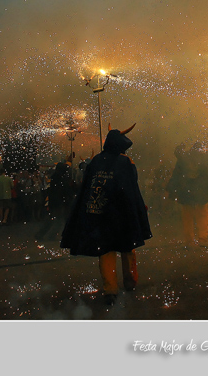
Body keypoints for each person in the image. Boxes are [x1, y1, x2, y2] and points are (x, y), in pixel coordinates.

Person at [61, 124, 152, 306]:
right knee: (127, 248)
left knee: (106, 251)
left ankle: (110, 290)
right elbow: (132, 186)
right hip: (121, 214)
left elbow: (87, 188)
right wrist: (139, 207)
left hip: (100, 215)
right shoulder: (126, 162)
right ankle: (130, 282)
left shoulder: (95, 161)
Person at [167, 139, 208, 248]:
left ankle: (189, 241)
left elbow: (177, 153)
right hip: (201, 191)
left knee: (187, 216)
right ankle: (202, 239)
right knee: (202, 214)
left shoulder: (185, 156)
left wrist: (180, 146)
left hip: (186, 191)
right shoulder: (204, 156)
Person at [36, 158, 77, 241]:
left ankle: (42, 234)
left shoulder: (56, 177)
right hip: (58, 202)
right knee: (57, 220)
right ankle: (49, 235)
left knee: (52, 219)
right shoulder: (60, 179)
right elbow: (64, 190)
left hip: (55, 202)